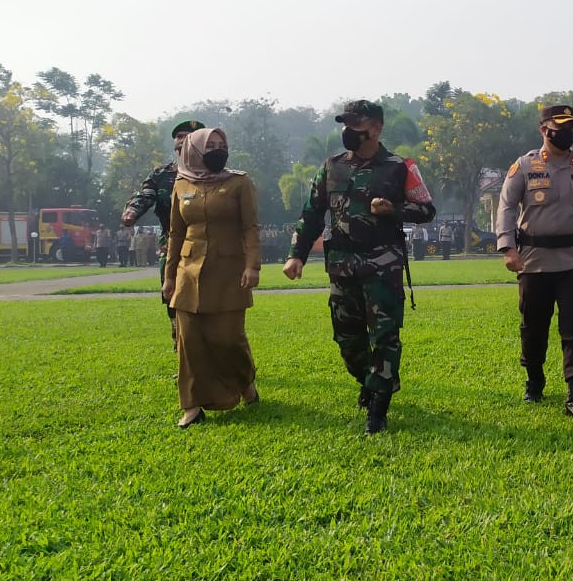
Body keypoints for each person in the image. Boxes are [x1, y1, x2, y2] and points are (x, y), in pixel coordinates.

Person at [283, 100, 437, 434]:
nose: (349, 131)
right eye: (346, 124)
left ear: (376, 128)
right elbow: (311, 214)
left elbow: (427, 210)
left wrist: (394, 209)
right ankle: (369, 381)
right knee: (347, 341)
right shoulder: (331, 166)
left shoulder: (399, 167)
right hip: (341, 266)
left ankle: (378, 410)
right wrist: (297, 254)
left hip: (382, 266)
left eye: (356, 125)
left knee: (385, 336)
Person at [495, 104, 573, 421]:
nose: (567, 133)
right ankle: (535, 380)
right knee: (533, 329)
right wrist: (507, 247)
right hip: (534, 262)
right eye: (561, 127)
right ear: (544, 129)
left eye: (571, 127)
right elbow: (505, 207)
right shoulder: (525, 166)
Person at [161, 127, 261, 428]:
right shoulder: (180, 184)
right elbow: (176, 234)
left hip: (228, 270)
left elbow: (250, 228)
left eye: (222, 145)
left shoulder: (239, 182)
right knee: (189, 339)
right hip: (188, 273)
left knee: (228, 338)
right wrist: (168, 277)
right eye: (211, 145)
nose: (217, 150)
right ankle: (191, 407)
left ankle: (245, 383)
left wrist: (252, 265)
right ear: (194, 150)